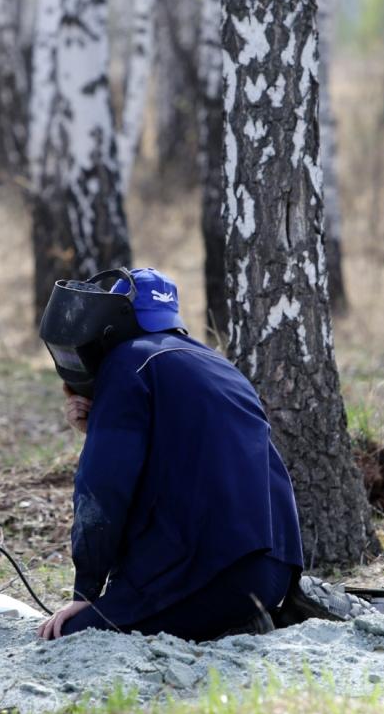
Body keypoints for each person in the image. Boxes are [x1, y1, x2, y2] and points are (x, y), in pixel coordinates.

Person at [35, 267, 304, 641]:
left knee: (70, 634)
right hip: (275, 572)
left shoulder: (126, 363)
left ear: (113, 321)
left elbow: (102, 491)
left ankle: (231, 624)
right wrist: (97, 427)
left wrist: (87, 593)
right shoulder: (219, 365)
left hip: (216, 576)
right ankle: (237, 620)